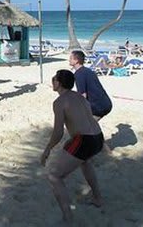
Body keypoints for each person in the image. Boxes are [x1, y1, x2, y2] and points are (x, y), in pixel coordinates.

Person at [41, 69, 105, 223]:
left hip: (85, 140)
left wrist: (47, 149)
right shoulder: (80, 97)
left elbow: (58, 132)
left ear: (59, 83)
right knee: (85, 161)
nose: (52, 81)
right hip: (98, 137)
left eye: (54, 79)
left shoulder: (59, 102)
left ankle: (68, 217)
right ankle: (97, 198)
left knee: (54, 175)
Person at [70, 50, 112, 120]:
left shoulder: (79, 74)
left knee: (84, 128)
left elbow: (83, 96)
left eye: (71, 58)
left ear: (76, 60)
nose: (69, 60)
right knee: (91, 128)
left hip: (98, 107)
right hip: (106, 103)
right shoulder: (88, 70)